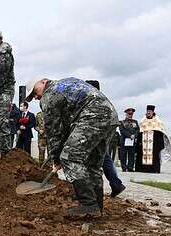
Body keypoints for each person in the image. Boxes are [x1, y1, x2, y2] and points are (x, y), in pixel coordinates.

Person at [26, 76, 119, 217]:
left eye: (34, 92)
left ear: (43, 82)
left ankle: (88, 204)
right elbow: (66, 127)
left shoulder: (49, 95)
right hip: (110, 116)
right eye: (33, 96)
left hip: (92, 116)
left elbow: (54, 130)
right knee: (92, 164)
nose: (36, 97)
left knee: (69, 158)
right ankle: (96, 206)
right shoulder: (66, 83)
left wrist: (56, 158)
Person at [135, 105, 170, 173]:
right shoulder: (143, 121)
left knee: (154, 156)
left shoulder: (158, 122)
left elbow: (160, 133)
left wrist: (160, 145)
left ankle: (154, 170)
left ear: (153, 112)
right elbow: (139, 132)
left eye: (150, 111)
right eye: (147, 111)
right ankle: (142, 169)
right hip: (143, 144)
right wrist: (139, 142)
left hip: (154, 144)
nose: (148, 112)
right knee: (141, 155)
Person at [118, 108, 139, 172]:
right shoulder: (122, 122)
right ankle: (124, 168)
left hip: (132, 141)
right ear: (126, 114)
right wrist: (130, 135)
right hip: (124, 141)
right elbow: (122, 131)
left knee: (131, 155)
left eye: (131, 114)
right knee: (123, 155)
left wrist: (134, 135)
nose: (130, 115)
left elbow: (138, 130)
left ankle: (130, 168)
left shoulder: (135, 122)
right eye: (129, 114)